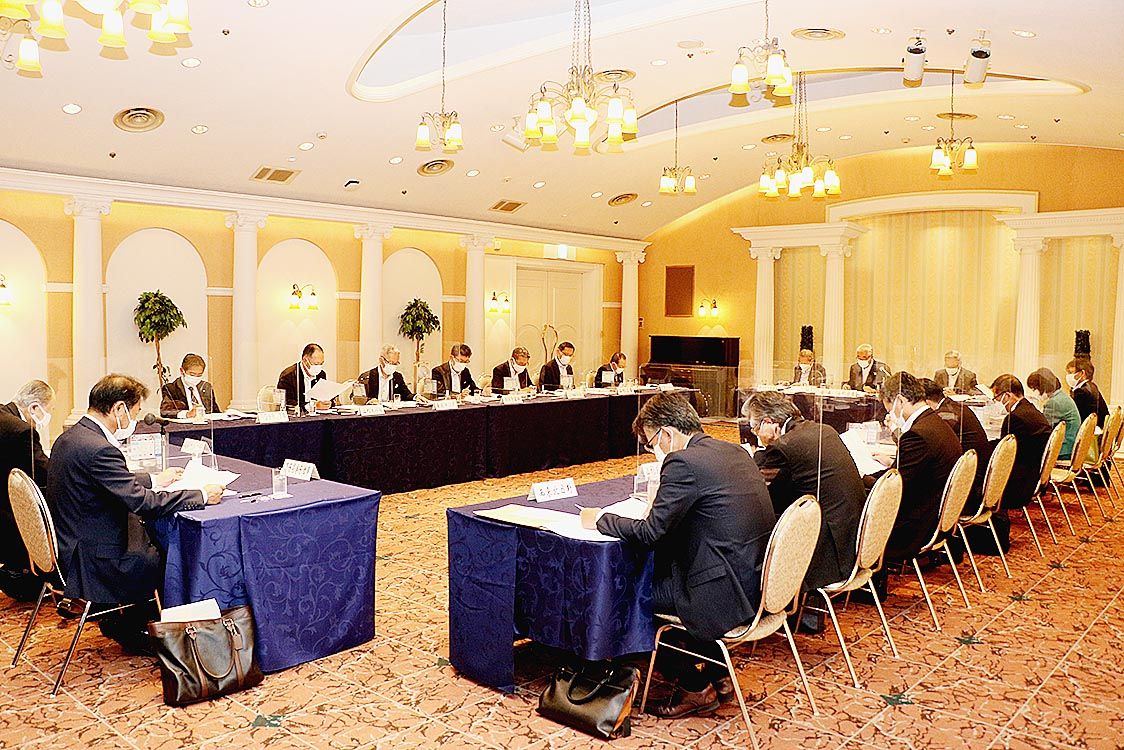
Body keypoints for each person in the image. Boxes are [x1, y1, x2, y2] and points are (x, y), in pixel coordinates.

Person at [589, 393, 776, 718]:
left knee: (630, 595)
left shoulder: (682, 462)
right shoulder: (732, 450)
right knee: (665, 578)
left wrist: (601, 519)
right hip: (753, 581)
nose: (654, 451)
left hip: (719, 591)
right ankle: (719, 674)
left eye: (651, 443)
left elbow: (650, 533)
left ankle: (695, 687)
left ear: (667, 433)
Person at [46, 375, 224, 654]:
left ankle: (126, 620)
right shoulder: (100, 449)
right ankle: (145, 629)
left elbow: (105, 480)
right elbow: (144, 503)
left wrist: (153, 479)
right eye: (136, 412)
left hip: (73, 539)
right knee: (167, 551)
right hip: (93, 558)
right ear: (119, 408)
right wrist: (200, 495)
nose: (136, 420)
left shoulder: (72, 436)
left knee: (148, 532)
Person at [746, 392, 863, 599]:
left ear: (768, 422)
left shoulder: (784, 447)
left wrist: (759, 453)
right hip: (851, 539)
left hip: (828, 554)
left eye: (755, 429)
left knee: (753, 526)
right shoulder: (823, 430)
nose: (756, 434)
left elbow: (762, 493)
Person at [874, 372, 963, 592]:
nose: (890, 414)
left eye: (889, 408)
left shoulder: (918, 435)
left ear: (899, 400)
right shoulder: (935, 422)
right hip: (935, 514)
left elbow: (896, 490)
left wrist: (865, 478)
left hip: (915, 525)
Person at [0, 380, 54, 601]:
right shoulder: (22, 431)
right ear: (34, 407)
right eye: (48, 410)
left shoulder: (3, 414)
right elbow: (45, 472)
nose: (47, 417)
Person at [920, 377, 991, 512]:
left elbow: (929, 448)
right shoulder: (953, 406)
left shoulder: (945, 415)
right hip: (977, 479)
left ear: (926, 402)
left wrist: (896, 431)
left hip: (967, 489)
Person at [991, 374, 1052, 511]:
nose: (997, 402)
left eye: (997, 398)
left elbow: (1003, 454)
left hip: (1020, 483)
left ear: (1008, 395)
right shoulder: (1030, 409)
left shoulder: (1015, 418)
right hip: (1035, 474)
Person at [1027, 368, 1081, 460]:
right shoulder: (1062, 397)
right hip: (1071, 446)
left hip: (1063, 450)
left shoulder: (1053, 403)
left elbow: (1043, 429)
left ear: (1042, 387)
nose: (1034, 392)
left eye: (1034, 389)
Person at [160, 353, 223, 418]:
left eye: (199, 375)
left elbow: (215, 411)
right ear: (182, 371)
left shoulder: (206, 387)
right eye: (192, 374)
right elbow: (164, 412)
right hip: (186, 423)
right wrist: (187, 414)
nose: (195, 378)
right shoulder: (171, 388)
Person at [277, 343, 334, 413]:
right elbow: (286, 403)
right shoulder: (288, 375)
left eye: (321, 364)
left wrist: (327, 403)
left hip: (318, 416)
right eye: (316, 364)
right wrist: (313, 405)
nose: (319, 367)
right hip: (297, 417)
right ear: (305, 360)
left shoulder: (321, 374)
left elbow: (324, 395)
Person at [1065, 358, 1109, 428]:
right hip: (1098, 429)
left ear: (1082, 373)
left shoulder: (1081, 392)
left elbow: (1074, 417)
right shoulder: (1092, 386)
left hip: (1086, 430)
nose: (1068, 376)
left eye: (1071, 373)